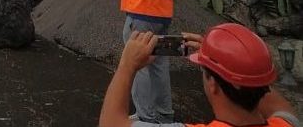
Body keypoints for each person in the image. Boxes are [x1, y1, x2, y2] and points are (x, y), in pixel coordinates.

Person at [100, 23, 300, 127]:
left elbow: (111, 123)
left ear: (213, 84)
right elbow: (274, 100)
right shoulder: (287, 123)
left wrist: (127, 64)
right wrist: (220, 56)